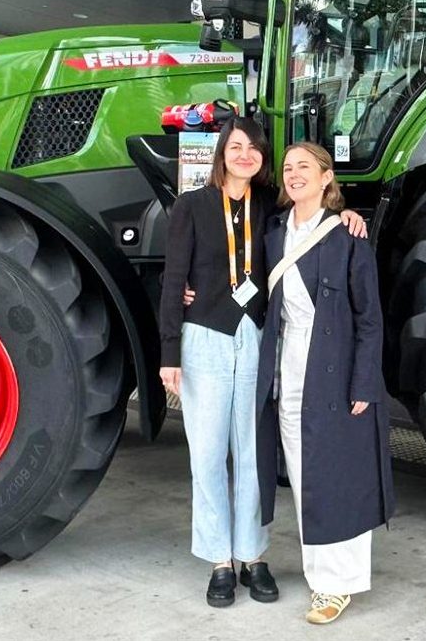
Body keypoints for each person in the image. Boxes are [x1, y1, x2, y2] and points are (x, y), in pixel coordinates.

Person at [159, 118, 366, 608]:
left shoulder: (272, 206)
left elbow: (315, 215)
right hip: (204, 338)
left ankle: (253, 556)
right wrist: (169, 353)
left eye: (254, 148)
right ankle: (219, 560)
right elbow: (173, 281)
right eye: (236, 146)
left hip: (255, 338)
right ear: (221, 154)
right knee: (207, 456)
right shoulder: (190, 206)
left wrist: (349, 215)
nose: (245, 154)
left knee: (253, 453)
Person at [255, 141, 395, 625]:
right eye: (288, 168)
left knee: (338, 478)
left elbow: (369, 319)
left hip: (334, 376)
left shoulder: (348, 237)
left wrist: (363, 385)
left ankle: (335, 587)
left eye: (304, 168)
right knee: (305, 479)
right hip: (286, 374)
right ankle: (322, 576)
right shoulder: (273, 234)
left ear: (325, 177)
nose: (294, 175)